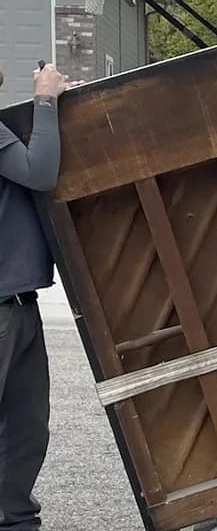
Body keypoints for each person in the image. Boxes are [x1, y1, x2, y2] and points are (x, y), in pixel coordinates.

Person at [0, 63, 77, 530]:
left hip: (19, 302)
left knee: (27, 428)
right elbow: (40, 171)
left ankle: (16, 519)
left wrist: (58, 105)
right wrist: (46, 102)